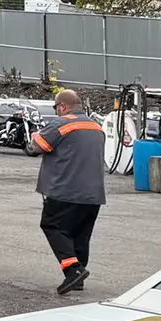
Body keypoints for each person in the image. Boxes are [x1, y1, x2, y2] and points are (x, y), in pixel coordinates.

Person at [28, 89, 106, 295]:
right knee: (80, 235)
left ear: (62, 106)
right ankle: (78, 277)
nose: (56, 112)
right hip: (93, 194)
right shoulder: (96, 127)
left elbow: (37, 146)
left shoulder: (62, 124)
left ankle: (73, 270)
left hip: (65, 190)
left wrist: (35, 136)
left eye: (56, 108)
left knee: (52, 226)